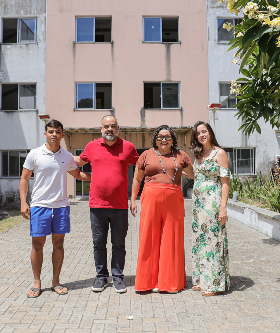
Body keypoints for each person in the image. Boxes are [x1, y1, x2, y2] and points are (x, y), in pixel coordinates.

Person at [20, 119, 91, 298]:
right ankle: (37, 282)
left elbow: (78, 174)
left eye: (57, 131)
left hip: (61, 207)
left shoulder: (66, 156)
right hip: (39, 206)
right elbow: (24, 179)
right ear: (46, 133)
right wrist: (23, 202)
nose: (54, 134)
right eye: (51, 131)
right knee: (37, 245)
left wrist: (100, 176)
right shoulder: (35, 154)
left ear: (62, 134)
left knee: (58, 244)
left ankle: (56, 281)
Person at [74, 115, 139, 293]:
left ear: (118, 128)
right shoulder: (91, 146)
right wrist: (59, 158)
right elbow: (78, 162)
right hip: (97, 206)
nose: (110, 129)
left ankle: (118, 277)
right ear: (101, 129)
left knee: (119, 243)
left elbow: (141, 165)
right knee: (99, 243)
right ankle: (101, 277)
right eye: (106, 126)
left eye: (113, 126)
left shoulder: (128, 147)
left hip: (119, 206)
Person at [130, 125, 192, 293]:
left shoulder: (181, 156)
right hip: (150, 198)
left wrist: (183, 172)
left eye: (167, 137)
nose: (163, 140)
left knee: (172, 239)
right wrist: (133, 200)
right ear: (155, 139)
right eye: (160, 137)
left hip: (174, 199)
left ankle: (170, 282)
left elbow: (193, 174)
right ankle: (147, 282)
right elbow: (137, 179)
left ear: (173, 139)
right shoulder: (146, 155)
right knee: (149, 238)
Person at [188, 121, 230, 297]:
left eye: (204, 131)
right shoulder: (198, 154)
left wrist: (223, 208)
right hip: (198, 205)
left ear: (210, 133)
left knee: (212, 241)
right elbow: (196, 175)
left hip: (212, 203)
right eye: (198, 133)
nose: (201, 135)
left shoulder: (219, 153)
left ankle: (214, 284)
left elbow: (225, 182)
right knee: (199, 240)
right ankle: (200, 279)